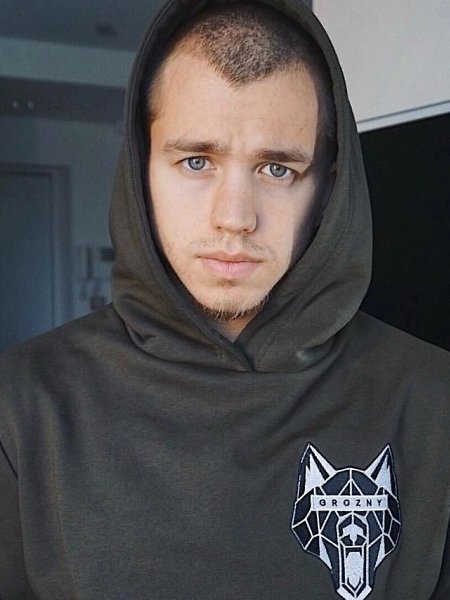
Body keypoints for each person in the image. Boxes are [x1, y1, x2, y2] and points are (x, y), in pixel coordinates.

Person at [0, 1, 448, 598]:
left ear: (327, 187)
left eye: (277, 169)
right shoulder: (23, 406)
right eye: (196, 161)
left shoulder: (433, 401)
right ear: (141, 172)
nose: (235, 217)